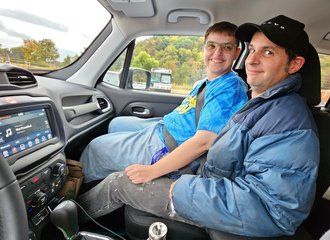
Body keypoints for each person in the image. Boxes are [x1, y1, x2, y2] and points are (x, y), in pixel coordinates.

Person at [77, 15, 320, 237]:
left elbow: (274, 209)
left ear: (295, 64)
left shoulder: (288, 121)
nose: (252, 60)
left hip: (215, 200)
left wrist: (178, 187)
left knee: (121, 183)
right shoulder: (264, 104)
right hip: (211, 183)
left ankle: (62, 220)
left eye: (268, 53)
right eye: (253, 49)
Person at [80, 21, 248, 184]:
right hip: (164, 128)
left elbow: (204, 142)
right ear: (204, 48)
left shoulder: (230, 88)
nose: (217, 53)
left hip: (168, 145)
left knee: (95, 148)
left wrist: (153, 171)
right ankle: (111, 168)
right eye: (212, 46)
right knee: (116, 123)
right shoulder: (206, 82)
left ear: (236, 53)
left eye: (226, 47)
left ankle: (76, 193)